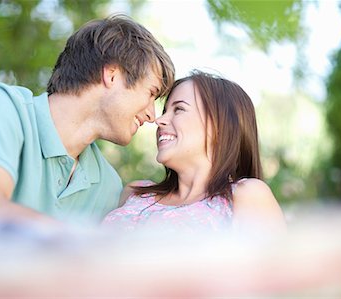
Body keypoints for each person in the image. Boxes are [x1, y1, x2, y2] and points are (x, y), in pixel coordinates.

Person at [0, 14, 175, 228]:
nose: (152, 114)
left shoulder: (107, 185)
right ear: (112, 75)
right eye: (151, 93)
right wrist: (90, 245)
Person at [102, 70, 286, 236]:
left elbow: (276, 271)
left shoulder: (247, 195)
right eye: (165, 111)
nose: (159, 120)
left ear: (218, 125)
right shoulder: (135, 193)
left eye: (179, 109)